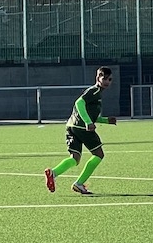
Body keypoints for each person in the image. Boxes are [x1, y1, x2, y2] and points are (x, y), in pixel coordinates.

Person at [44, 66, 117, 196]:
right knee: (99, 154)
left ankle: (53, 173)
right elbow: (79, 103)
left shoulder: (97, 94)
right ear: (98, 78)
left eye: (109, 79)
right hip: (82, 128)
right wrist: (88, 122)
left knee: (75, 158)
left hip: (72, 126)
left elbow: (91, 115)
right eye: (104, 78)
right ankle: (79, 183)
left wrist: (105, 121)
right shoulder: (94, 91)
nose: (107, 81)